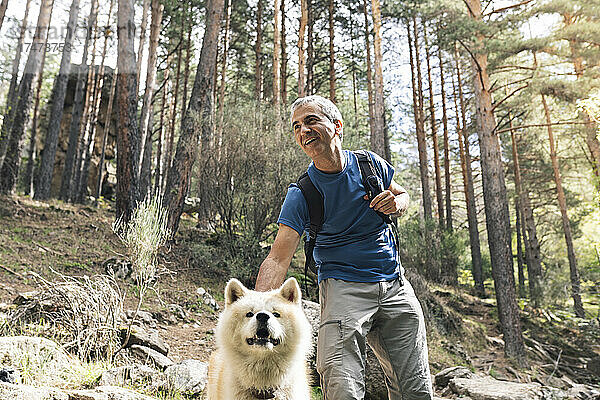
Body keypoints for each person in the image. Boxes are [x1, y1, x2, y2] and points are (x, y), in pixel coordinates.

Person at [255, 95, 433, 400]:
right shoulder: (303, 193)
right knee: (341, 386)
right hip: (343, 289)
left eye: (311, 120)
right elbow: (277, 258)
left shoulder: (368, 165)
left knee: (416, 389)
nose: (303, 130)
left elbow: (401, 195)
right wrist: (256, 308)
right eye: (296, 126)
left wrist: (396, 203)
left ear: (337, 126)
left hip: (395, 286)